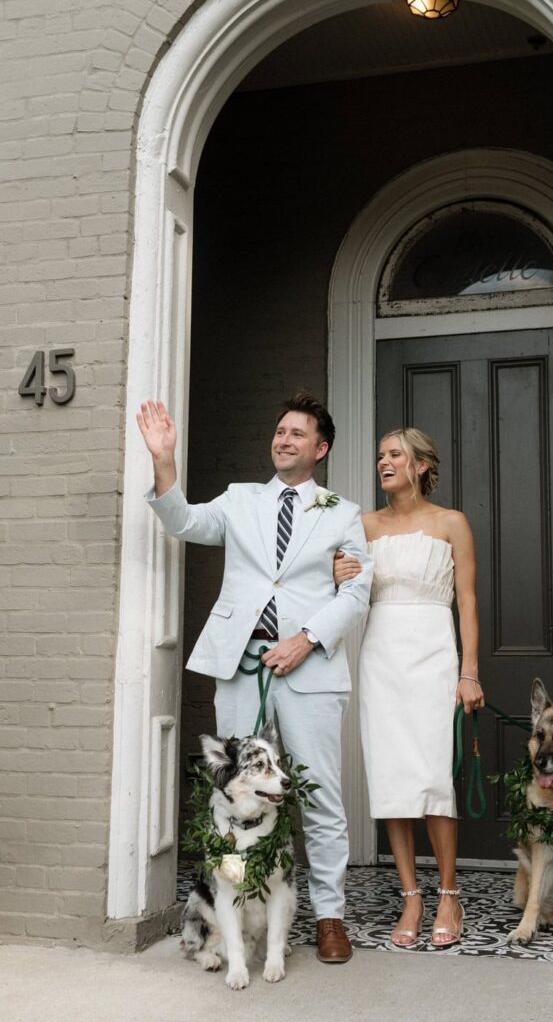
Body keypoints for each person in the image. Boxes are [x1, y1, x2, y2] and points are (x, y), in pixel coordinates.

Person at [137, 392, 373, 964]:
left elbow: (358, 590)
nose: (283, 439)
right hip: (241, 666)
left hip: (310, 668)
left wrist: (306, 639)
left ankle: (329, 917)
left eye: (297, 433)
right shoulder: (240, 500)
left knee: (318, 795)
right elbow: (184, 521)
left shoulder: (341, 511)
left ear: (320, 448)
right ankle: (238, 913)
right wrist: (163, 458)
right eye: (279, 430)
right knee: (234, 792)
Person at [333, 427, 483, 949]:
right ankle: (411, 896)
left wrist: (469, 673)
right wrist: (337, 572)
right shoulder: (363, 525)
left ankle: (448, 893)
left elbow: (466, 604)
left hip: (435, 655)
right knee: (393, 777)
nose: (384, 462)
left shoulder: (451, 523)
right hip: (381, 656)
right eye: (379, 456)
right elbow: (346, 588)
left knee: (434, 776)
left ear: (420, 464)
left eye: (394, 454)